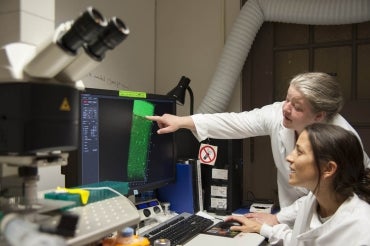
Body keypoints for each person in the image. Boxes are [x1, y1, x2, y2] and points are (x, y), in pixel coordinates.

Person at [146, 72, 370, 225]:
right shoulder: (279, 115)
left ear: (319, 116)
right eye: (287, 99)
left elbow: (329, 198)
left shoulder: (343, 141)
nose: (285, 108)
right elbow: (236, 122)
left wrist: (279, 219)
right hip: (293, 219)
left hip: (334, 222)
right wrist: (182, 122)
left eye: (297, 106)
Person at [224, 123, 370, 245]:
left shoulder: (362, 231)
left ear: (328, 169)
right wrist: (262, 228)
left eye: (299, 152)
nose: (289, 157)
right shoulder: (312, 202)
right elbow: (298, 241)